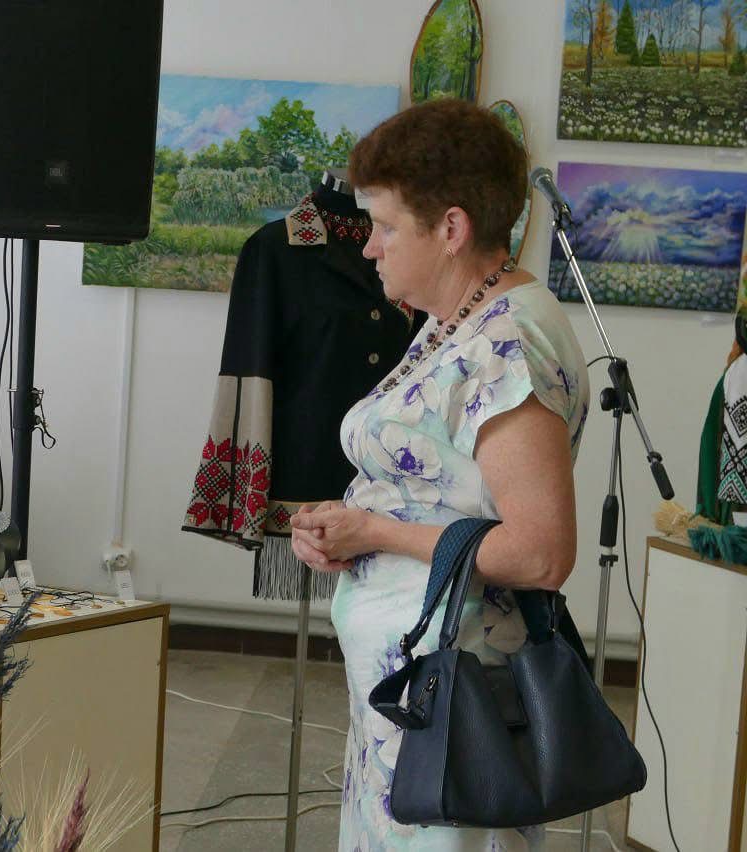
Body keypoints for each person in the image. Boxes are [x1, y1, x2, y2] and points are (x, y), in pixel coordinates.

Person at [290, 98, 589, 851]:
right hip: (409, 696)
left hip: (458, 710)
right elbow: (437, 488)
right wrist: (343, 527)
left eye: (385, 227)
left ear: (451, 229)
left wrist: (375, 532)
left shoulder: (507, 343)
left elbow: (540, 553)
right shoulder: (453, 321)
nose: (369, 247)